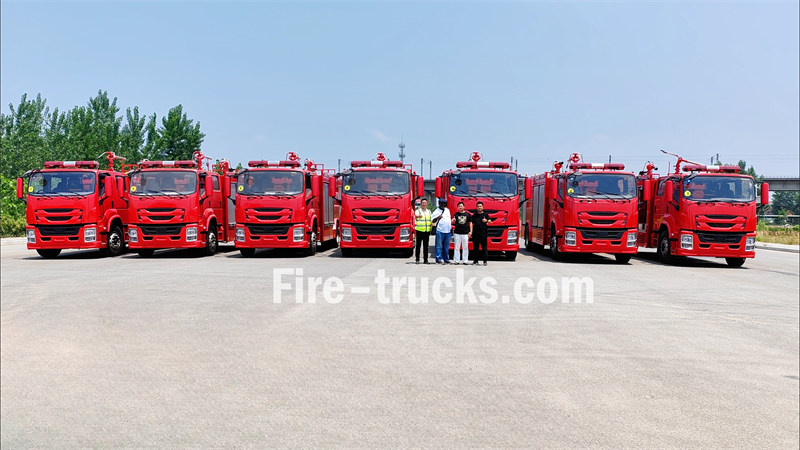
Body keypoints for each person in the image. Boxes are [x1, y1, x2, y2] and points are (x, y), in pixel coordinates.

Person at [430, 198, 452, 264]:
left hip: (447, 231)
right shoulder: (436, 211)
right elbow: (432, 221)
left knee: (446, 246)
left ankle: (446, 259)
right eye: (441, 203)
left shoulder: (447, 210)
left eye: (444, 203)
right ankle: (438, 258)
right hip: (440, 231)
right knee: (439, 246)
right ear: (439, 204)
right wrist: (437, 218)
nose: (443, 205)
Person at [470, 201, 491, 266]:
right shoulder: (474, 215)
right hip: (475, 234)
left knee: (484, 248)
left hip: (483, 234)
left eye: (480, 206)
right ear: (476, 207)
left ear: (482, 207)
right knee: (475, 248)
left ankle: (485, 261)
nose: (479, 207)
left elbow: (490, 221)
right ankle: (475, 261)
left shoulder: (485, 215)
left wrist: (486, 221)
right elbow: (471, 223)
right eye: (478, 206)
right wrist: (471, 232)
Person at [414, 198, 431, 264]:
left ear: (427, 204)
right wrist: (418, 216)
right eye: (423, 203)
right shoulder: (418, 211)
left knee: (426, 246)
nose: (424, 204)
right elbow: (415, 216)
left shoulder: (429, 211)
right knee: (418, 245)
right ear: (421, 204)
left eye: (425, 203)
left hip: (427, 231)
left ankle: (425, 260)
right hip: (419, 230)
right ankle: (417, 259)